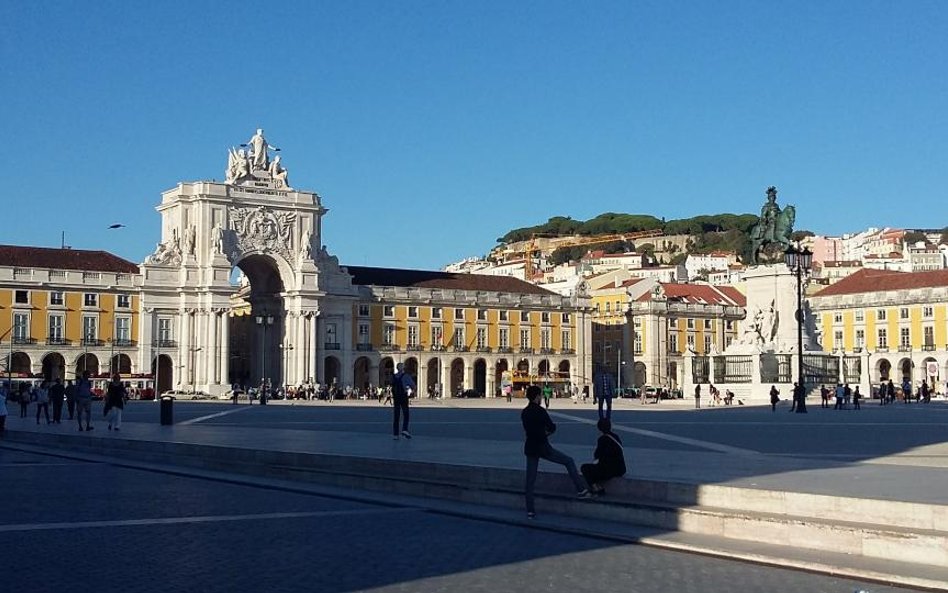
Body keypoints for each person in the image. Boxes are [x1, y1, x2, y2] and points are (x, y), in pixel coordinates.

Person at [521, 385, 591, 518]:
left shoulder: (524, 412)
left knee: (530, 481)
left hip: (530, 447)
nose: (541, 398)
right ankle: (581, 490)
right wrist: (545, 434)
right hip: (543, 446)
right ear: (537, 397)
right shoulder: (541, 411)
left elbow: (528, 430)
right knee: (568, 461)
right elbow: (552, 427)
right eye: (540, 396)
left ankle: (530, 511)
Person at [581, 418, 627, 496]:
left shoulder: (602, 439)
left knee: (584, 468)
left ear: (599, 429)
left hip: (608, 470)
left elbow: (597, 455)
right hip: (621, 469)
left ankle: (596, 488)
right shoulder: (616, 437)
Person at [391, 363, 416, 440]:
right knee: (406, 414)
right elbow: (413, 386)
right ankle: (404, 430)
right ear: (402, 368)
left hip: (396, 397)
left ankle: (395, 434)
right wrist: (409, 388)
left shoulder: (393, 376)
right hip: (403, 396)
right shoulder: (406, 376)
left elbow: (391, 385)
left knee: (396, 415)